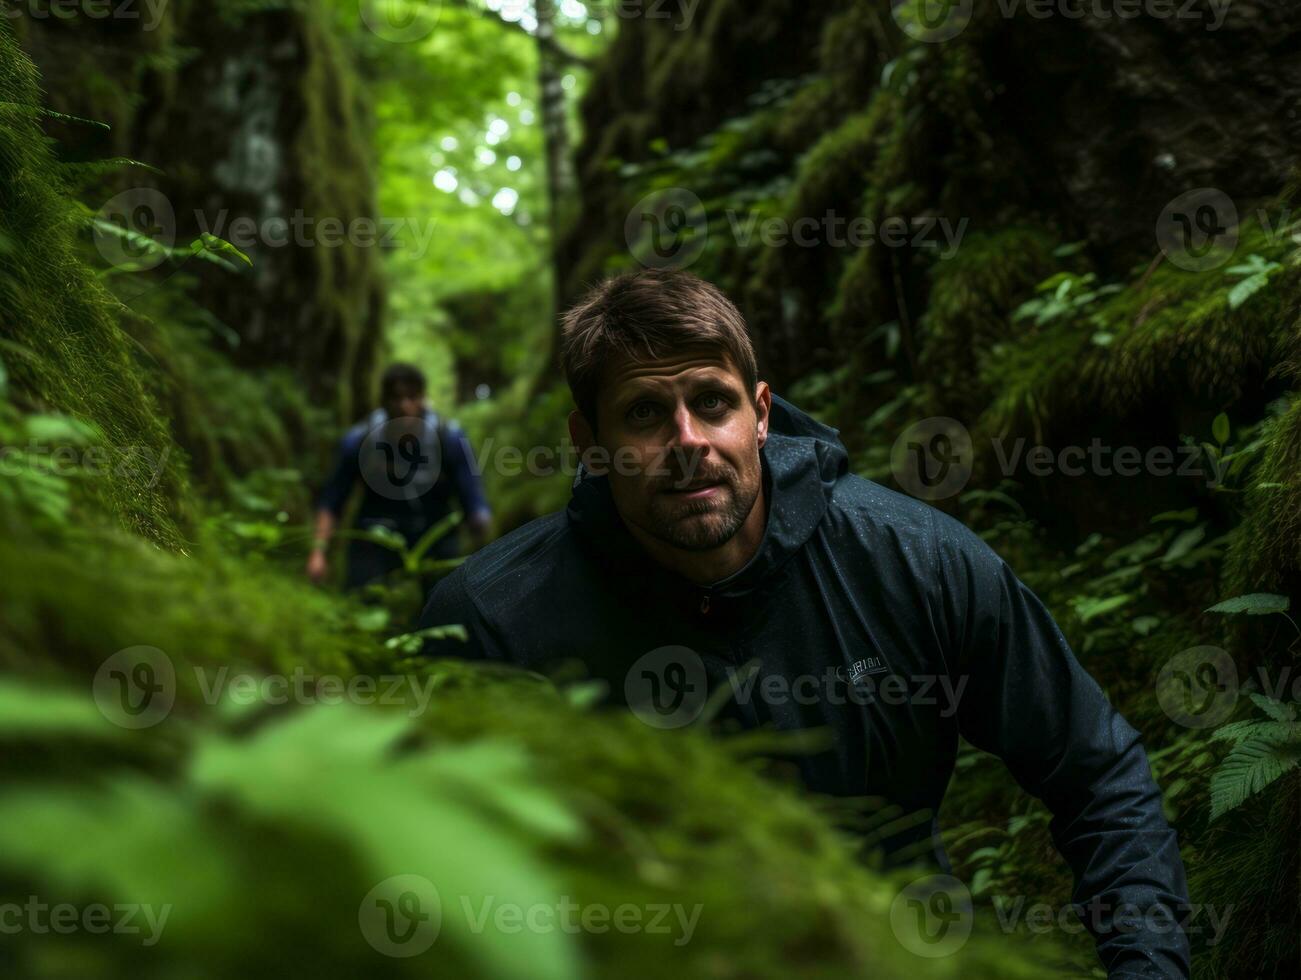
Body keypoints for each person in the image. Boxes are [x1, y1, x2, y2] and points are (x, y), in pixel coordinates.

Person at [417, 269, 1191, 978]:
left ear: (758, 415)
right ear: (590, 446)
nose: (687, 443)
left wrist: (1147, 970)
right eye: (645, 413)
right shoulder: (493, 624)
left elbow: (1096, 774)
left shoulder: (913, 562)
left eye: (711, 402)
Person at [308, 363, 491, 590]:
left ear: (423, 398)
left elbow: (474, 503)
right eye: (396, 398)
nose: (404, 406)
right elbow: (332, 501)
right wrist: (318, 552)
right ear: (383, 401)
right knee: (362, 598)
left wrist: (487, 556)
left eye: (412, 397)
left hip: (435, 535)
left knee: (446, 603)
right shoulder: (359, 441)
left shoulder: (450, 439)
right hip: (376, 533)